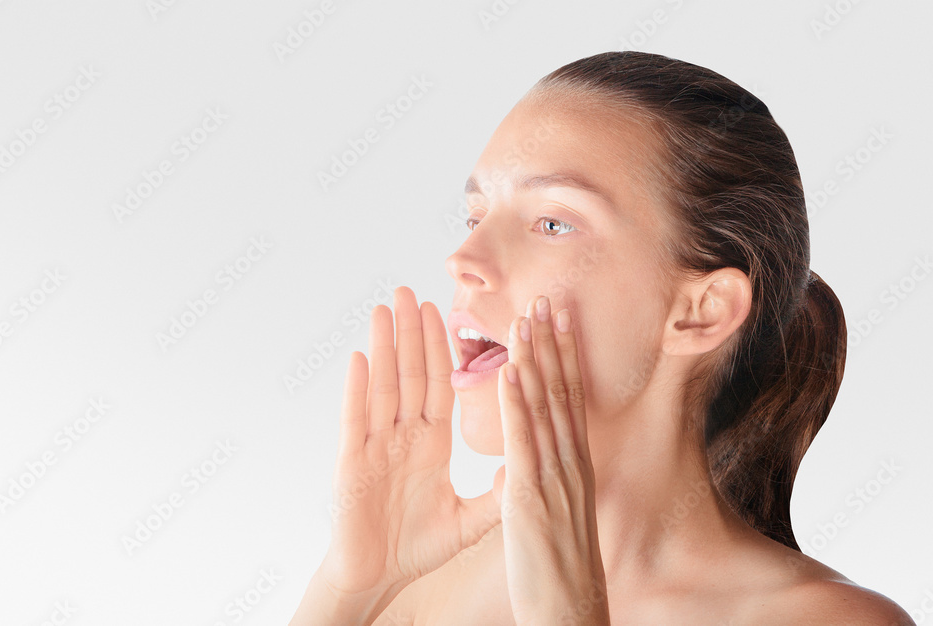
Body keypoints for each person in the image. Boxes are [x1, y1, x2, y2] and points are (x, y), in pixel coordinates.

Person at [291, 51, 915, 625]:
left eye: (553, 222)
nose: (464, 257)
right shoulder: (414, 589)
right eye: (476, 216)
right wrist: (351, 591)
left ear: (700, 310)